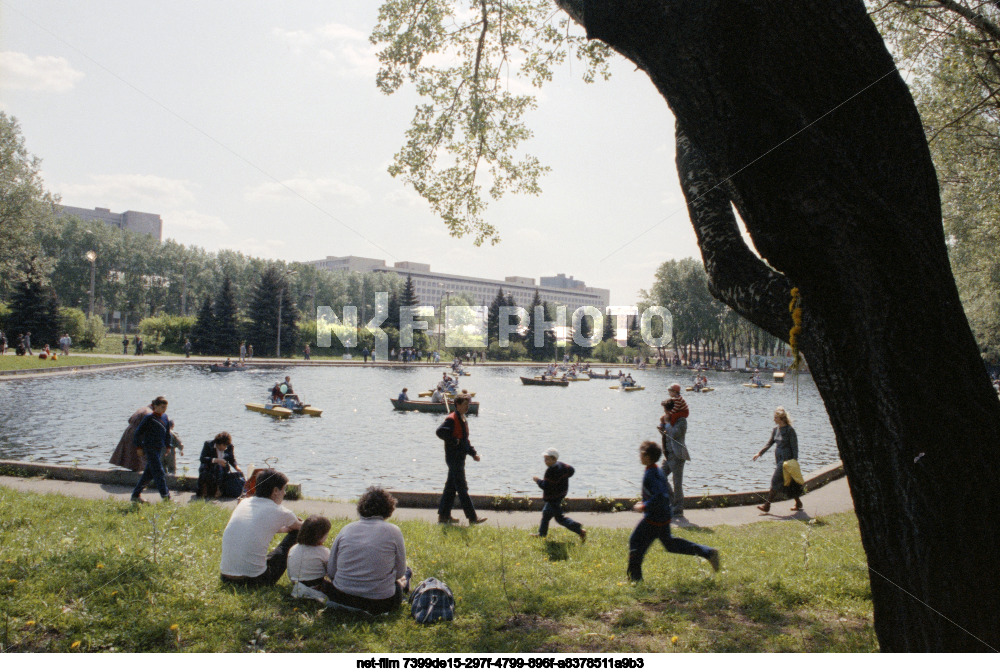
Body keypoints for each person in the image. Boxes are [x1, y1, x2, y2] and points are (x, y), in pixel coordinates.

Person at [627, 441, 719, 580]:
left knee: (635, 541)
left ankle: (635, 579)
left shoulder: (651, 474)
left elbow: (660, 496)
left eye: (641, 453)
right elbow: (664, 493)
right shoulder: (657, 470)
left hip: (654, 518)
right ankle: (708, 552)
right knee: (670, 544)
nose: (639, 456)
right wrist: (646, 502)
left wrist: (644, 506)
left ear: (647, 456)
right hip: (663, 516)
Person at [325, 486, 411, 614]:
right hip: (379, 604)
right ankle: (403, 586)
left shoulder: (346, 529)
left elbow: (331, 570)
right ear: (389, 508)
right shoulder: (394, 531)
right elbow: (399, 573)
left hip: (340, 598)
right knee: (407, 572)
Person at [219, 469, 302, 586]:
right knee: (298, 533)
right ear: (275, 491)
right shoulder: (281, 511)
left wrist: (285, 529)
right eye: (284, 489)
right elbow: (305, 528)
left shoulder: (244, 502)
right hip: (253, 580)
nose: (285, 493)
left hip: (225, 576)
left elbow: (261, 525)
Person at [436, 394, 486, 525]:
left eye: (468, 404)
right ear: (457, 405)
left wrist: (473, 453)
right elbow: (440, 432)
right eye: (465, 404)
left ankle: (443, 516)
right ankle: (472, 518)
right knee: (462, 488)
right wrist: (454, 441)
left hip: (460, 458)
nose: (467, 407)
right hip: (453, 458)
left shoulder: (463, 419)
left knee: (451, 488)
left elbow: (464, 441)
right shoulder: (452, 419)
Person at [752, 407, 804, 513]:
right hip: (779, 459)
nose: (774, 419)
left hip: (787, 461)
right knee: (789, 482)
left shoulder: (790, 430)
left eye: (775, 417)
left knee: (775, 481)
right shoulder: (775, 430)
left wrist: (794, 461)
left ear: (781, 419)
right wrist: (759, 453)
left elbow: (795, 447)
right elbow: (770, 443)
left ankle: (767, 505)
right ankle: (798, 503)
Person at [531, 448, 586, 542]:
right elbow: (572, 470)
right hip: (559, 495)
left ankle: (579, 530)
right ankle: (541, 534)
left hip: (553, 498)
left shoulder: (551, 471)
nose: (545, 461)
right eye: (545, 459)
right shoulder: (562, 466)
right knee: (546, 515)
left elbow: (546, 486)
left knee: (560, 519)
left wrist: (537, 481)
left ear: (554, 459)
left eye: (547, 459)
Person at [130, 396, 172, 503]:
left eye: (165, 407)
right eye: (162, 407)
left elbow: (167, 433)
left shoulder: (165, 417)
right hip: (150, 448)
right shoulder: (149, 418)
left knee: (148, 474)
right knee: (159, 472)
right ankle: (166, 498)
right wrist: (139, 447)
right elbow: (137, 433)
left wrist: (168, 446)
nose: (164, 409)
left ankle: (135, 495)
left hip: (159, 449)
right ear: (155, 406)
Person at [659, 384, 691, 517]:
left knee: (677, 483)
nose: (665, 414)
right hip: (668, 455)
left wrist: (666, 423)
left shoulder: (681, 421)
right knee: (660, 476)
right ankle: (672, 502)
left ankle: (678, 509)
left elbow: (675, 434)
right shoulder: (670, 420)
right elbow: (666, 435)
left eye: (667, 412)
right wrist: (662, 428)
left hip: (678, 456)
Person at [287, 515, 334, 596]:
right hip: (314, 586)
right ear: (320, 535)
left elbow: (289, 571)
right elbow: (331, 572)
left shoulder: (294, 548)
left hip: (296, 584)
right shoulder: (323, 551)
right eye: (326, 534)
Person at [110, 401, 154, 471]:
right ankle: (140, 475)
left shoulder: (142, 409)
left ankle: (136, 472)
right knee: (139, 455)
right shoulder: (149, 412)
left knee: (131, 454)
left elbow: (129, 420)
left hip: (129, 431)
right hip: (137, 433)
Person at [198, 431, 241, 498]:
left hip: (222, 469)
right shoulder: (208, 444)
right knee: (206, 468)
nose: (226, 448)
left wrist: (237, 467)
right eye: (224, 446)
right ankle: (204, 490)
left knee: (219, 467)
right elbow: (202, 458)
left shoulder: (230, 446)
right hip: (209, 467)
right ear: (219, 444)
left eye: (226, 445)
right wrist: (216, 460)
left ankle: (219, 490)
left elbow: (232, 459)